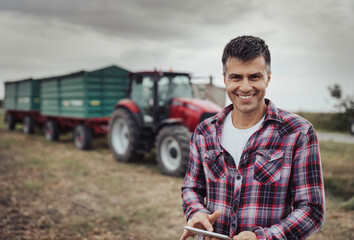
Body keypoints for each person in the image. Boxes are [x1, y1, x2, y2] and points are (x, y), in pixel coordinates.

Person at [181, 36, 325, 240]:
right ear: (225, 80)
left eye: (255, 77)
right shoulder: (204, 132)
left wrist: (263, 237)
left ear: (268, 77)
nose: (246, 87)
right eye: (236, 77)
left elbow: (312, 210)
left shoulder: (298, 133)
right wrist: (196, 211)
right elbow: (191, 188)